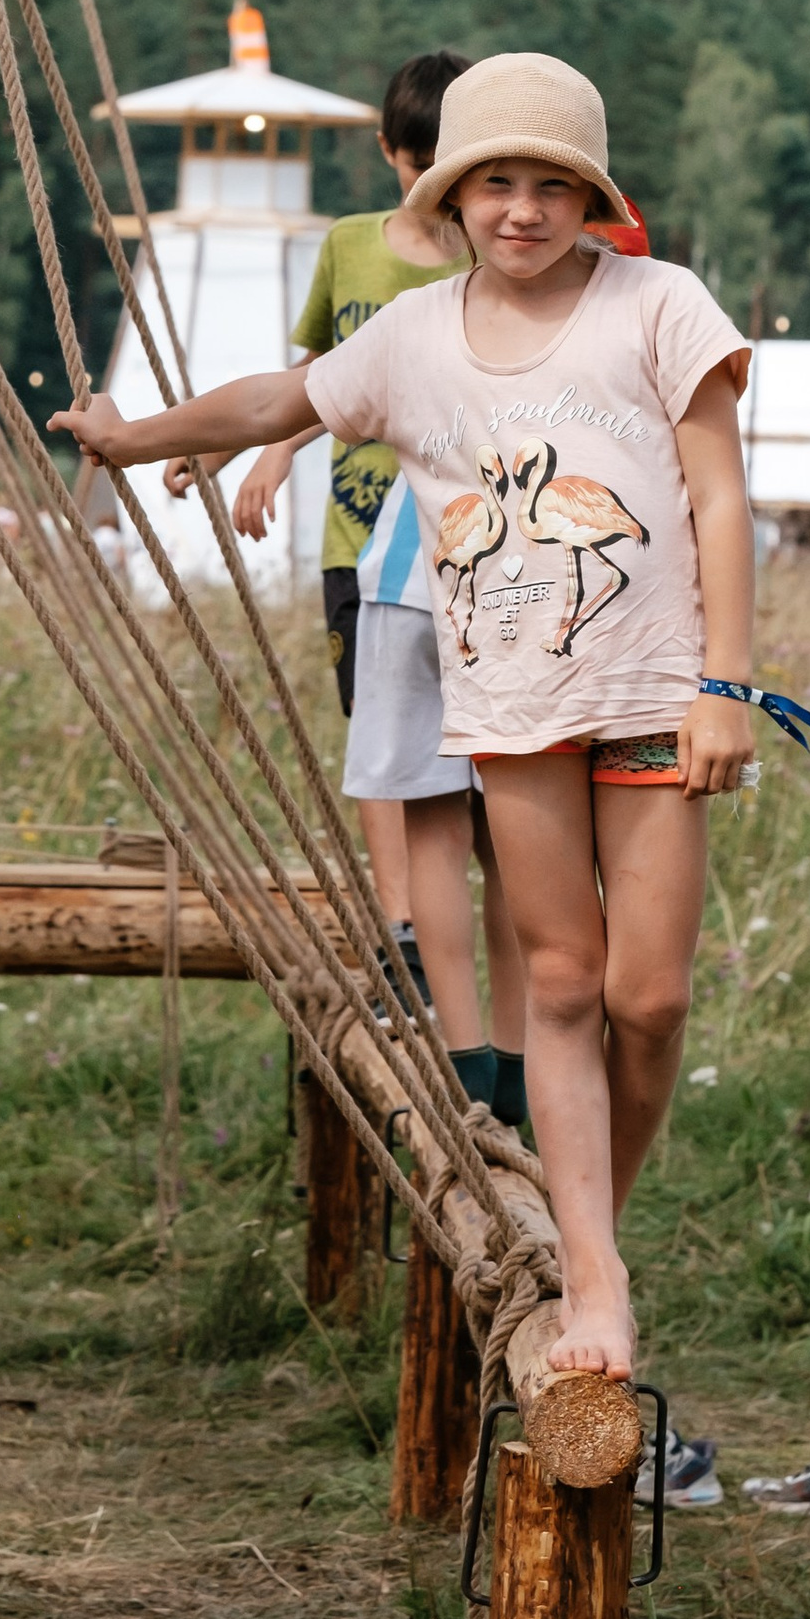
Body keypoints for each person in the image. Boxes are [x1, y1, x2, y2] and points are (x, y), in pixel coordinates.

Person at [58, 50, 756, 1386]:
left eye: (552, 185)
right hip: (514, 707)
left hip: (655, 691)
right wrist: (136, 437)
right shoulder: (413, 334)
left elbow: (719, 497)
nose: (523, 210)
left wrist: (728, 684)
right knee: (562, 980)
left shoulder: (659, 305)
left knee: (650, 995)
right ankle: (593, 1269)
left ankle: (598, 1217)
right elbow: (278, 400)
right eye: (496, 182)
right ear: (451, 193)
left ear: (591, 198)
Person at [201, 47, 469, 947]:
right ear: (389, 150)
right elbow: (318, 374)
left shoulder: (491, 258)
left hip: (460, 541)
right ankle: (400, 924)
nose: (431, 184)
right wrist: (255, 451)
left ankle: (457, 923)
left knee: (471, 749)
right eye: (417, 163)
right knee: (378, 735)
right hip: (359, 541)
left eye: (450, 164)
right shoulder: (349, 244)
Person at [345, 461, 530, 1127]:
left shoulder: (409, 375)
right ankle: (516, 1061)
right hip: (522, 583)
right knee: (511, 842)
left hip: (410, 576)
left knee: (434, 834)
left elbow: (315, 404)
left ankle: (465, 1058)